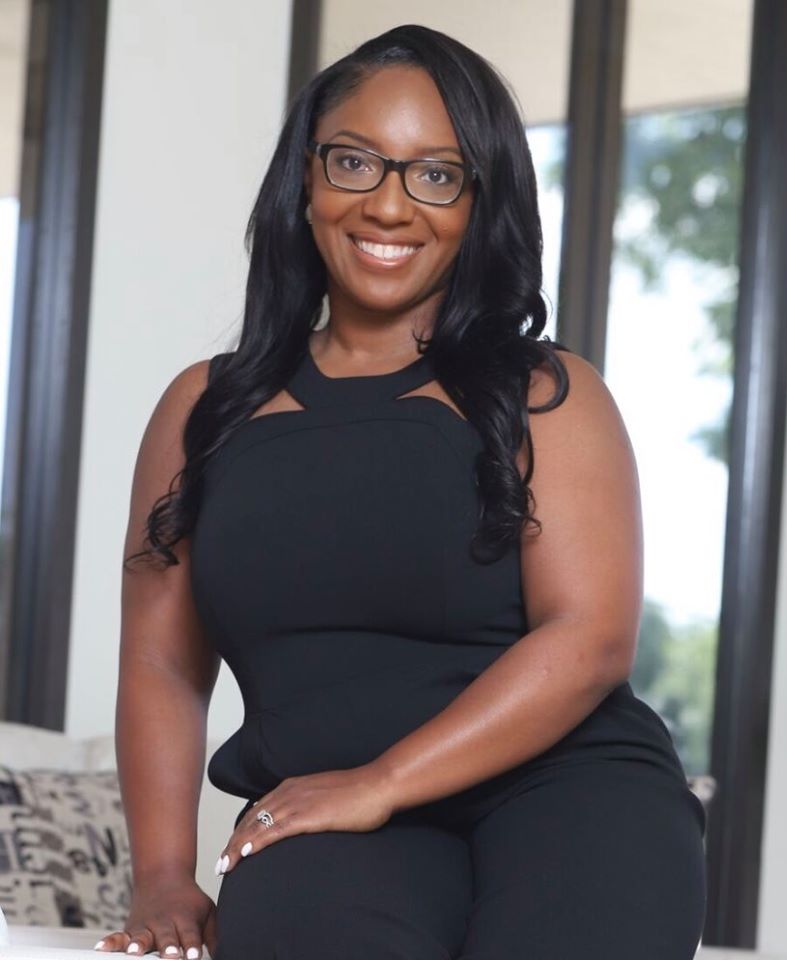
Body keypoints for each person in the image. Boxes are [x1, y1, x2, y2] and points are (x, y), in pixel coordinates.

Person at [94, 23, 707, 960]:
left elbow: (586, 641)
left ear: (479, 202)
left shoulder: (544, 394)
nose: (388, 206)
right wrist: (165, 875)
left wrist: (382, 779)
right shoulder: (202, 409)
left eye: (435, 175)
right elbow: (162, 665)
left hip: (569, 790)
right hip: (324, 808)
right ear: (304, 179)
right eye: (354, 162)